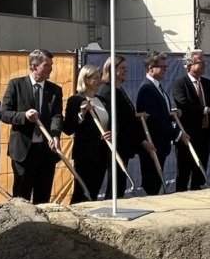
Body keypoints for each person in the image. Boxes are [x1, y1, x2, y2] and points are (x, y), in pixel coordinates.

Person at [0, 49, 63, 204]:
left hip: (46, 152)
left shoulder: (55, 90)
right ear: (34, 66)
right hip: (23, 152)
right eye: (46, 65)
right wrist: (24, 116)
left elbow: (57, 116)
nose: (50, 68)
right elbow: (4, 113)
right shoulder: (16, 85)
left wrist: (55, 135)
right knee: (22, 198)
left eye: (51, 65)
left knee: (43, 198)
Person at [97, 55, 154, 199]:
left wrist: (135, 116)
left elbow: (125, 115)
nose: (125, 71)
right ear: (111, 69)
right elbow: (119, 120)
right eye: (122, 68)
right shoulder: (107, 90)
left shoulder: (118, 89)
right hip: (115, 144)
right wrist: (142, 141)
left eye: (126, 68)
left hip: (124, 144)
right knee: (115, 183)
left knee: (120, 182)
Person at [172, 50, 210, 191]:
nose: (204, 65)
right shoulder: (180, 84)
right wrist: (207, 110)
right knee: (183, 172)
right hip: (187, 135)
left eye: (204, 62)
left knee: (200, 172)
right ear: (189, 65)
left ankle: (198, 192)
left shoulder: (207, 83)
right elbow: (185, 105)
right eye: (200, 62)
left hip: (204, 134)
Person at [135, 50, 183, 195]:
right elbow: (154, 120)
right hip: (153, 144)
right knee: (152, 184)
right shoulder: (147, 89)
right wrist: (177, 134)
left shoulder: (157, 87)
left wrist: (171, 113)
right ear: (151, 68)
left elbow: (160, 113)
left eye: (166, 67)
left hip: (161, 144)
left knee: (156, 182)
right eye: (162, 67)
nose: (165, 70)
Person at [62, 64, 111, 204]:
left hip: (102, 151)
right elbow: (68, 128)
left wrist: (111, 133)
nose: (99, 80)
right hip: (85, 153)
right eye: (95, 77)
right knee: (83, 191)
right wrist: (81, 114)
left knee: (95, 190)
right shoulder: (75, 101)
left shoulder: (104, 101)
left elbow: (111, 123)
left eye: (99, 77)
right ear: (85, 79)